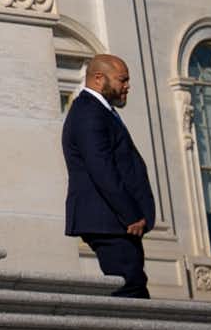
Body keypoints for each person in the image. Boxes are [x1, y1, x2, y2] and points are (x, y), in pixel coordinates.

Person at [63, 53, 157, 299]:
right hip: (109, 220)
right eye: (122, 80)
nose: (127, 86)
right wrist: (130, 214)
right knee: (130, 286)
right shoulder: (89, 111)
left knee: (132, 282)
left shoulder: (100, 111)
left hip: (114, 220)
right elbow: (101, 167)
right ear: (98, 78)